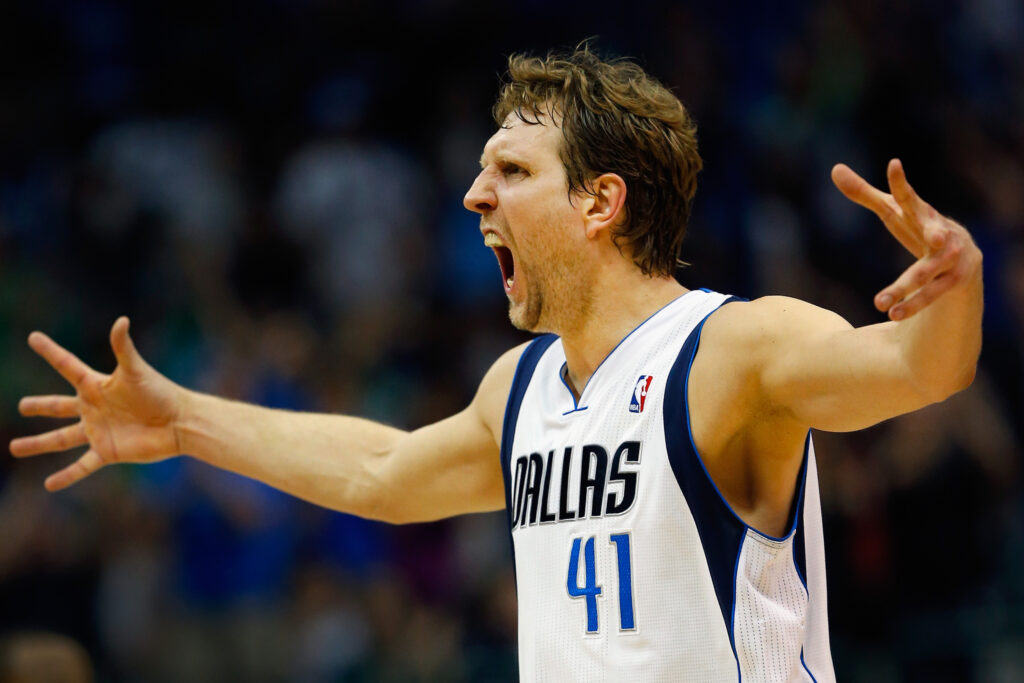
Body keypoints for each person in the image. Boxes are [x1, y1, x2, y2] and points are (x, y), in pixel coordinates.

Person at [10, 47, 982, 682]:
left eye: (511, 173)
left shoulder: (731, 345)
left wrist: (954, 284)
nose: (474, 196)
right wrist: (183, 420)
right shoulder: (520, 388)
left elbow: (914, 369)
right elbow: (381, 473)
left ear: (600, 203)